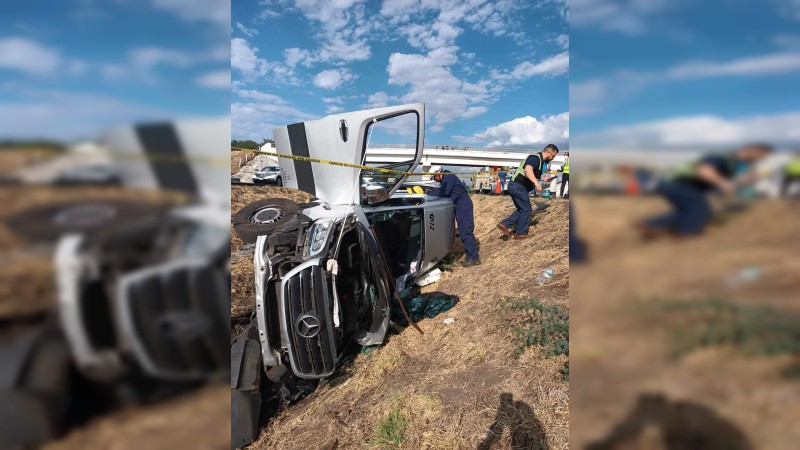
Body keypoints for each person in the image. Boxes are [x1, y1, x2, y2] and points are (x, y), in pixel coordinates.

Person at [638, 144, 772, 238]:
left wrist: (746, 181)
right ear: (751, 150)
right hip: (678, 184)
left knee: (687, 211)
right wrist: (722, 183)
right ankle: (685, 236)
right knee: (699, 209)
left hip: (686, 187)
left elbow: (733, 179)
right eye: (762, 155)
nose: (762, 159)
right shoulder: (723, 157)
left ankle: (650, 224)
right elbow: (703, 171)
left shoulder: (739, 164)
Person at [497, 144, 559, 239]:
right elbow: (528, 170)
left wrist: (542, 179)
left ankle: (504, 224)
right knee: (527, 209)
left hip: (516, 186)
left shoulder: (540, 162)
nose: (552, 158)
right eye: (553, 156)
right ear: (548, 152)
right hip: (518, 186)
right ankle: (520, 233)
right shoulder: (535, 158)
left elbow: (531, 174)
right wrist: (537, 183)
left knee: (522, 209)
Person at [429, 166, 480, 266]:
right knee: (463, 231)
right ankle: (471, 255)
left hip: (463, 204)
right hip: (459, 205)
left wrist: (427, 193)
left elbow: (444, 192)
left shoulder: (448, 176)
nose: (435, 179)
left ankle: (474, 257)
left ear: (438, 173)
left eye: (434, 177)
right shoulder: (446, 179)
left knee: (465, 231)